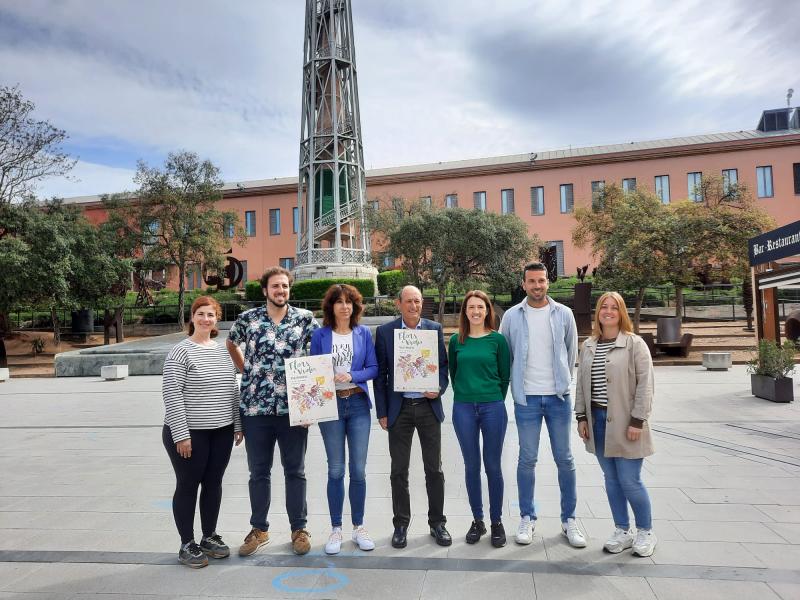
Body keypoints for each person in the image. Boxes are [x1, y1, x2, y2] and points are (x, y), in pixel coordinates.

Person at [226, 267, 319, 556]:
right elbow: (231, 343)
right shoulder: (248, 319)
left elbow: (318, 354)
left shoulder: (304, 319)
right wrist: (247, 370)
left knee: (296, 471)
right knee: (258, 472)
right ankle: (259, 529)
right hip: (256, 408)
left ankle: (299, 529)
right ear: (265, 290)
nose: (281, 291)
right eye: (276, 286)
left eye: (285, 286)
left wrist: (313, 402)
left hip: (294, 408)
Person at [499, 261, 587, 548]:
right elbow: (505, 353)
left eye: (541, 280)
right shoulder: (511, 316)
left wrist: (563, 383)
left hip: (558, 398)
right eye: (532, 281)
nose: (537, 286)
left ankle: (569, 520)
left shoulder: (564, 314)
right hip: (526, 399)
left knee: (565, 459)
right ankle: (527, 517)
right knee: (527, 460)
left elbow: (571, 352)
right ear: (523, 284)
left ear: (548, 282)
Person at [162, 296, 243, 568]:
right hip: (190, 433)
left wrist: (238, 424)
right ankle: (187, 543)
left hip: (221, 431)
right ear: (192, 317)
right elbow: (172, 394)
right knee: (188, 485)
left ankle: (209, 536)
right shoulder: (180, 352)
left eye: (211, 315)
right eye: (201, 314)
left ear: (216, 319)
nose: (206, 319)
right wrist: (181, 434)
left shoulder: (222, 351)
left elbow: (232, 389)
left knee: (213, 483)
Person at [575, 292, 656, 557]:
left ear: (621, 313)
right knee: (611, 479)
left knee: (629, 480)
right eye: (603, 307)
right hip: (597, 422)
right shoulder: (588, 345)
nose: (608, 311)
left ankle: (646, 531)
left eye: (614, 307)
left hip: (626, 421)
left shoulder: (634, 344)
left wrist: (637, 420)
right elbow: (581, 384)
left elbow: (646, 385)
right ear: (598, 312)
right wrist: (581, 417)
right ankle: (622, 530)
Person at [374, 285, 450, 548]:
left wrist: (438, 387)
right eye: (408, 301)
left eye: (417, 301)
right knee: (399, 471)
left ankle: (437, 523)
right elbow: (380, 375)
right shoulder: (385, 332)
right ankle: (401, 525)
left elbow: (443, 367)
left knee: (434, 469)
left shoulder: (433, 329)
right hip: (400, 409)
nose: (413, 306)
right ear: (399, 304)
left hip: (428, 407)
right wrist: (382, 412)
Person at [310, 284, 379, 555]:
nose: (344, 306)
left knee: (358, 470)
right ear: (331, 306)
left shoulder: (363, 333)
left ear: (355, 306)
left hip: (358, 403)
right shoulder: (320, 335)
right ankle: (336, 528)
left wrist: (352, 375)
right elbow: (312, 370)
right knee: (336, 469)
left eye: (349, 302)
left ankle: (359, 527)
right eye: (339, 301)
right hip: (332, 407)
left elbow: (373, 368)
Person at [448, 290, 510, 547]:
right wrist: (467, 394)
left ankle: (496, 521)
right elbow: (454, 373)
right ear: (465, 311)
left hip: (493, 407)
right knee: (471, 466)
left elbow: (504, 376)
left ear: (487, 311)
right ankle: (478, 520)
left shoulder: (498, 340)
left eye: (480, 307)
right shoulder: (456, 341)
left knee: (493, 466)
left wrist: (491, 398)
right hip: (463, 407)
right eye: (471, 307)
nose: (475, 311)